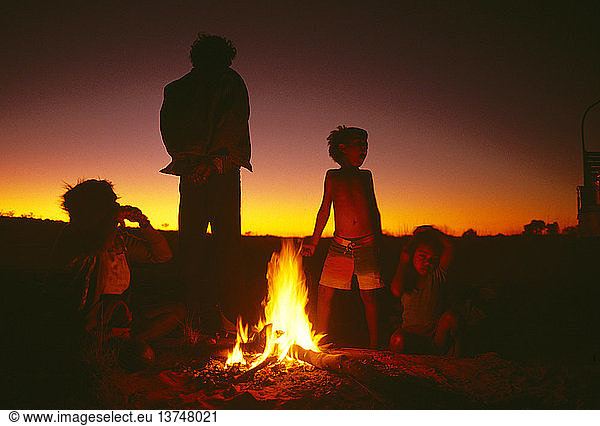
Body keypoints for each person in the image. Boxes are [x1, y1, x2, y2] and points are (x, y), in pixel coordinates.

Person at [159, 34, 251, 334]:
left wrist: (192, 163)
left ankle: (196, 319)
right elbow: (233, 124)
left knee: (192, 247)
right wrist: (211, 163)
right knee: (225, 249)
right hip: (218, 174)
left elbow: (171, 132)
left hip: (192, 174)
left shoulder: (176, 89)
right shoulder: (229, 82)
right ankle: (225, 321)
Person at [52, 179, 182, 367]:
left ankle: (130, 340)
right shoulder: (73, 234)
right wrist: (112, 221)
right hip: (91, 315)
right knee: (135, 356)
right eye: (112, 205)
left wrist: (144, 224)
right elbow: (99, 245)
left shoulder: (119, 239)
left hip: (121, 310)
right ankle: (113, 344)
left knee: (176, 311)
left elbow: (162, 256)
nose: (117, 207)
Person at [302, 125, 383, 348]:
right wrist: (314, 241)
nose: (364, 151)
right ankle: (319, 341)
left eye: (366, 146)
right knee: (325, 291)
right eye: (359, 145)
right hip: (340, 246)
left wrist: (379, 241)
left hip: (366, 244)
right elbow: (325, 209)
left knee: (370, 297)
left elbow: (373, 209)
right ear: (342, 148)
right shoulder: (332, 176)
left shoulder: (366, 176)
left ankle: (376, 346)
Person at [389, 225, 462, 356]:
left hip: (435, 334)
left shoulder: (437, 276)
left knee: (451, 317)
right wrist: (403, 261)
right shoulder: (406, 277)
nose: (427, 262)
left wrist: (431, 231)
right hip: (411, 334)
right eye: (422, 256)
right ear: (412, 256)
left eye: (432, 260)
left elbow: (449, 247)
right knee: (397, 339)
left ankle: (456, 357)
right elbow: (395, 291)